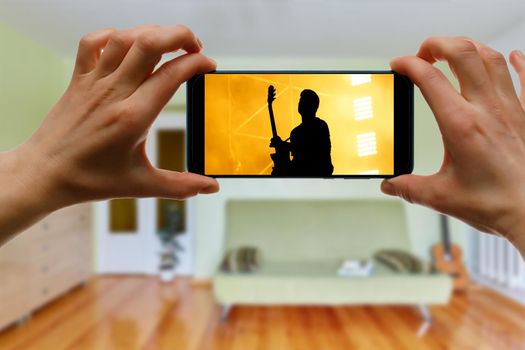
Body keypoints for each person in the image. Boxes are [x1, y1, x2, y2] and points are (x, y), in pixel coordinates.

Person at [0, 26, 524, 258]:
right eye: (300, 108)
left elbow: (314, 156)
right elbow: (295, 153)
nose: (303, 110)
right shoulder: (301, 127)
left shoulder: (310, 129)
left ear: (310, 107)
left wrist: (37, 170)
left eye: (304, 106)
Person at [270, 89, 334, 176]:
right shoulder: (295, 132)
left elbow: (311, 151)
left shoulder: (320, 125)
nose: (300, 102)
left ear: (313, 106)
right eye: (300, 100)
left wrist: (284, 145)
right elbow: (297, 160)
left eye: (304, 100)